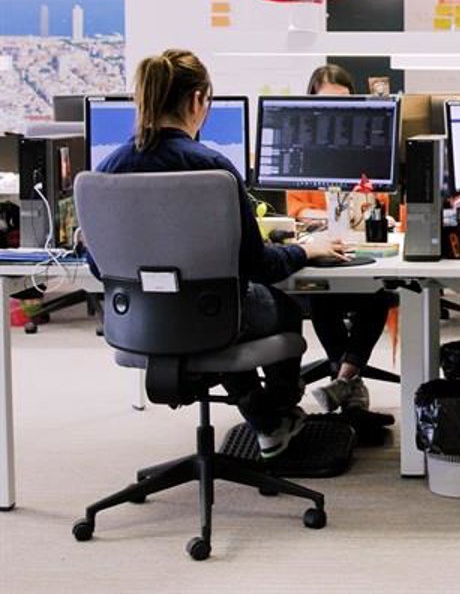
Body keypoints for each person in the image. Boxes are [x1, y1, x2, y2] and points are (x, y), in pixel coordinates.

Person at [92, 49, 348, 458]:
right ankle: (276, 414)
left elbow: (98, 265)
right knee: (276, 308)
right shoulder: (212, 169)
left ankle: (265, 418)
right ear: (198, 100)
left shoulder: (106, 171)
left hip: (141, 319)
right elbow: (258, 266)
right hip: (214, 313)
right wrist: (304, 249)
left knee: (218, 311)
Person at [287, 64, 396, 414]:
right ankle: (350, 378)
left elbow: (378, 202)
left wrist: (365, 215)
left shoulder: (366, 147)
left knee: (378, 295)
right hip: (321, 250)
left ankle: (344, 377)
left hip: (362, 250)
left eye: (346, 101)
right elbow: (297, 210)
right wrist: (334, 217)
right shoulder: (299, 150)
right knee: (323, 296)